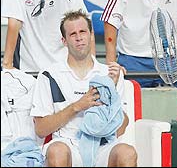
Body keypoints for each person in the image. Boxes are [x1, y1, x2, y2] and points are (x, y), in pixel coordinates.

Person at [30, 9, 137, 167]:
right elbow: (41, 129)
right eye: (73, 34)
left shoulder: (110, 74)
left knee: (127, 153)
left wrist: (111, 93)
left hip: (104, 145)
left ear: (91, 35)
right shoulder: (49, 75)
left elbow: (120, 129)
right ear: (64, 41)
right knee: (56, 151)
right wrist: (76, 107)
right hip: (68, 145)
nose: (79, 38)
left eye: (83, 32)